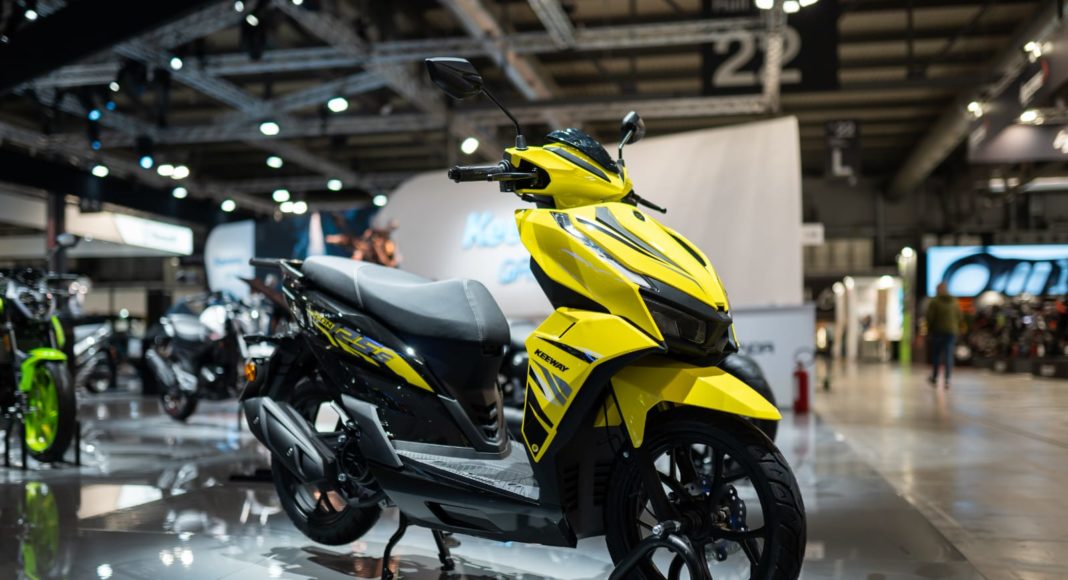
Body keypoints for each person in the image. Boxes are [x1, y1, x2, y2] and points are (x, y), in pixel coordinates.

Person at [926, 282, 961, 388]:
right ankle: (947, 379)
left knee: (937, 355)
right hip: (951, 332)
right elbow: (959, 316)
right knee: (948, 355)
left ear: (938, 290)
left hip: (938, 331)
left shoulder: (935, 301)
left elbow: (930, 317)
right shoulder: (954, 301)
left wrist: (930, 329)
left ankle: (935, 377)